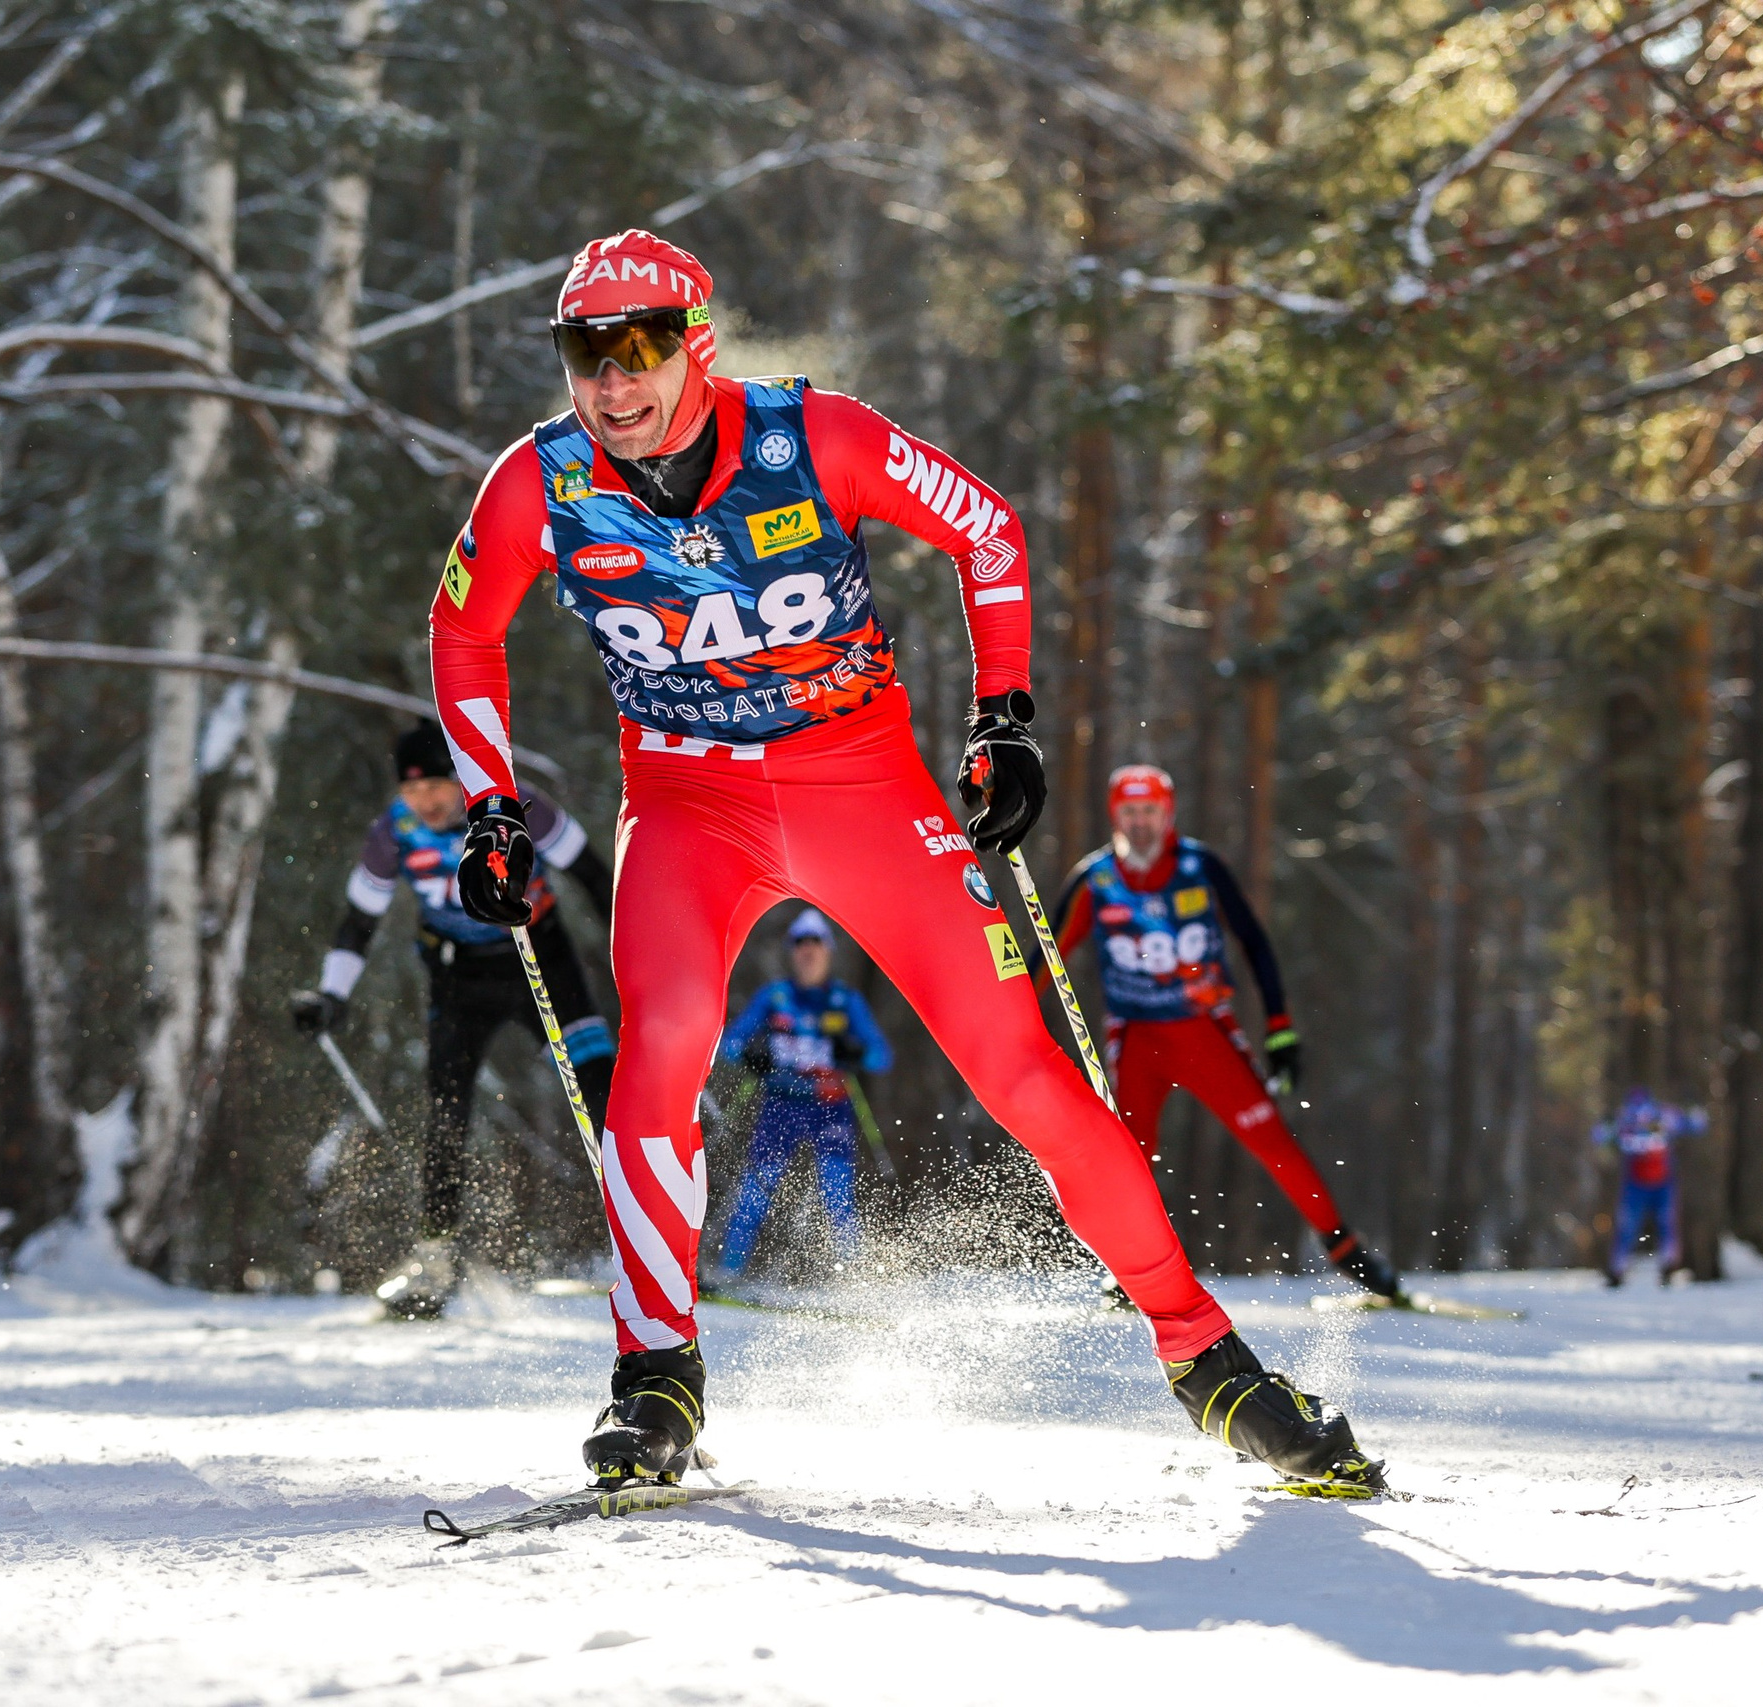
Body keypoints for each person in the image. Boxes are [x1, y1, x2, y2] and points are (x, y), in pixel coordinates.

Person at [426, 227, 1381, 1493]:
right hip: (686, 804)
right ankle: (655, 1378)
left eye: (640, 347)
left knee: (1023, 1071)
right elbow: (462, 631)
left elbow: (986, 529)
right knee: (654, 1063)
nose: (612, 380)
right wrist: (492, 805)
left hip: (860, 787)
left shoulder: (812, 438)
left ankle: (1209, 1363)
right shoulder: (536, 484)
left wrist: (1003, 718)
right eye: (583, 352)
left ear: (695, 342)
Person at [291, 721, 616, 1318]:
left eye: (438, 787)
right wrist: (331, 996)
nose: (427, 803)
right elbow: (358, 923)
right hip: (457, 978)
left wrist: (642, 947)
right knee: (445, 1110)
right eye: (414, 792)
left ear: (460, 778)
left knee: (599, 1087)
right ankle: (435, 1258)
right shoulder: (394, 830)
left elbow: (595, 876)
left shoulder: (513, 805)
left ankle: (653, 1242)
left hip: (538, 957)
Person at [1053, 764, 1401, 1302]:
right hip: (1138, 1039)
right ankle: (1132, 1270)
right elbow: (1044, 956)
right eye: (1129, 813)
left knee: (1272, 1141)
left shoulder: (1198, 865)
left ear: (1167, 814)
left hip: (1205, 1035)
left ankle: (1346, 1251)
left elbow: (1255, 943)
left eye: (1150, 812)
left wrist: (1281, 1029)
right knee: (1131, 1154)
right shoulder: (1096, 877)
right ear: (1114, 816)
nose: (1140, 824)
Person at [711, 909, 892, 1283]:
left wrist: (854, 1052)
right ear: (792, 953)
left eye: (816, 945)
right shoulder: (775, 996)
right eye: (800, 945)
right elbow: (728, 1044)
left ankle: (854, 1283)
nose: (808, 953)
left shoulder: (845, 1000)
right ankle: (727, 1273)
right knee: (755, 1190)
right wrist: (750, 1055)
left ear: (828, 951)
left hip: (830, 1107)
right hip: (781, 1104)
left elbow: (882, 1057)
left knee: (838, 1195)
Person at [1594, 1087, 1705, 1286]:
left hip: (1663, 1183)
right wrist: (1606, 1124)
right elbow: (1599, 1136)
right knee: (1628, 1227)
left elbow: (1696, 1126)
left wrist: (1693, 1111)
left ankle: (1669, 1267)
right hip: (1635, 1184)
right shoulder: (1624, 1120)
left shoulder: (1665, 1116)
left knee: (1666, 1224)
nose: (1642, 1118)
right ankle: (1617, 1270)